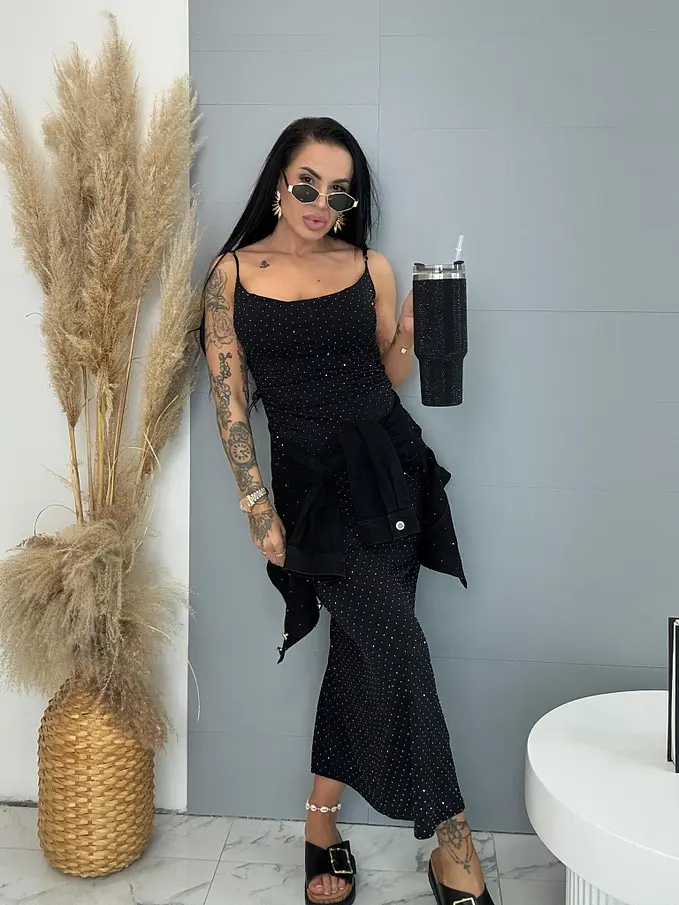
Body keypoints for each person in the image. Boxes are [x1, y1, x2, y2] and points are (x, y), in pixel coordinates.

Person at [201, 117, 494, 905]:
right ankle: (454, 845)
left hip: (390, 471)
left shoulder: (369, 265)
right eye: (307, 183)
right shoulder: (232, 274)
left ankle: (320, 821)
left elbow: (385, 374)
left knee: (367, 651)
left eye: (338, 192)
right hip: (311, 494)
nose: (319, 202)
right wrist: (256, 504)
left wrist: (407, 335)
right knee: (396, 645)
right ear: (278, 182)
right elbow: (229, 400)